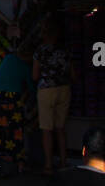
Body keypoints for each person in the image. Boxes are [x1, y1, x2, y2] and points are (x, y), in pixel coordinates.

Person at [32, 19, 75, 174]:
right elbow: (73, 73)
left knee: (47, 129)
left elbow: (35, 75)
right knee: (60, 128)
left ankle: (49, 164)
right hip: (64, 88)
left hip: (46, 90)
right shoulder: (65, 50)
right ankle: (63, 161)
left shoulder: (40, 51)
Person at [0, 24, 33, 173]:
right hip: (14, 98)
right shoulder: (23, 64)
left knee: (1, 129)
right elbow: (31, 84)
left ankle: (2, 159)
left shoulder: (7, 59)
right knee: (16, 130)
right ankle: (19, 162)